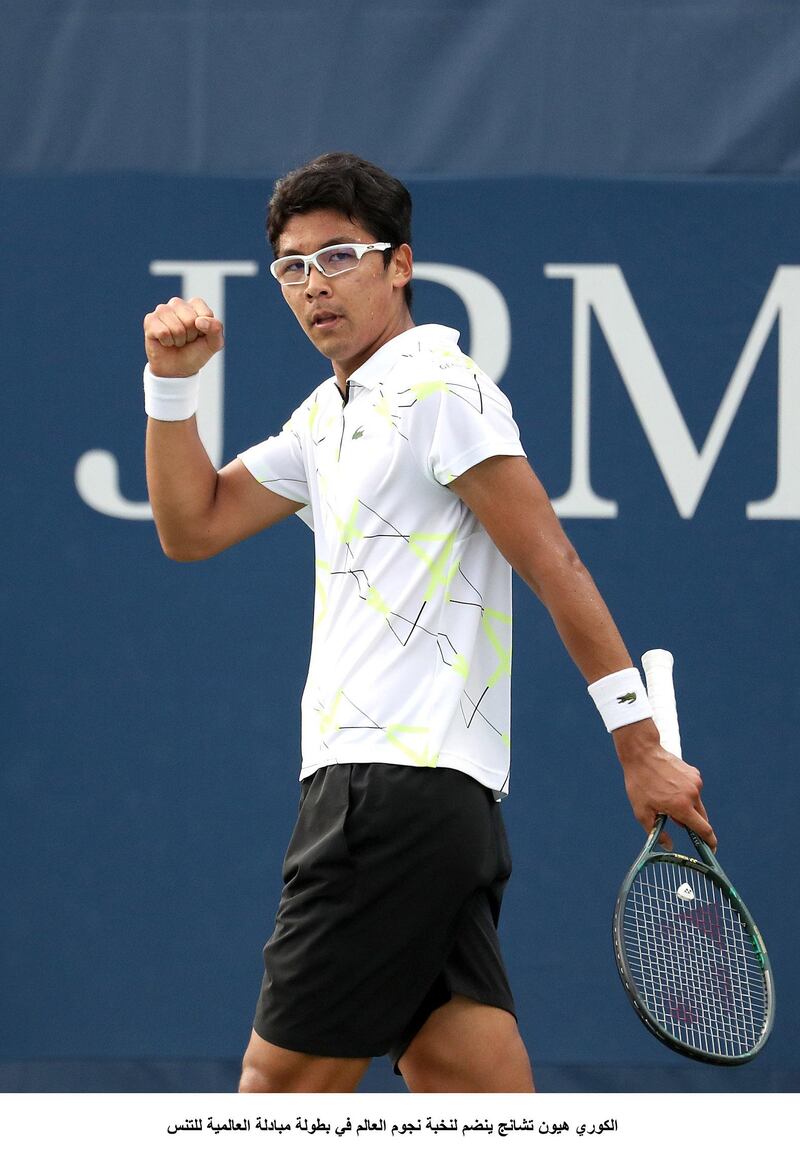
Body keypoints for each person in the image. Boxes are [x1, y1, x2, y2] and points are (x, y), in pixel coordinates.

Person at [142, 152, 715, 1094]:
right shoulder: (327, 416)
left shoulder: (437, 388)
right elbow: (190, 525)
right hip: (422, 802)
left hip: (388, 799)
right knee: (471, 1089)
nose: (312, 286)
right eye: (291, 267)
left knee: (275, 1096)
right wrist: (172, 385)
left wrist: (638, 744)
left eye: (338, 258)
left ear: (398, 265)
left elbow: (551, 561)